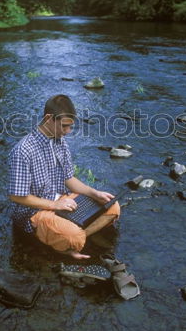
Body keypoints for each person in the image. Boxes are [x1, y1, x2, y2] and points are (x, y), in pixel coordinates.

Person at [7, 94, 120, 259]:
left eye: (70, 126)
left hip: (63, 201)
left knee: (113, 206)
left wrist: (94, 193)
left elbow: (69, 179)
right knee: (73, 236)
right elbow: (17, 197)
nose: (68, 132)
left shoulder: (60, 142)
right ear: (48, 119)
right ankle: (70, 240)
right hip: (34, 212)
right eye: (64, 126)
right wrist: (55, 205)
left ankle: (72, 239)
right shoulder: (23, 151)